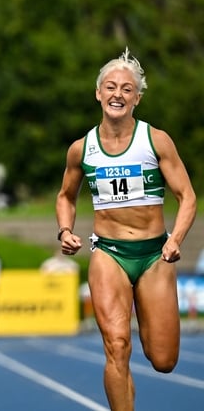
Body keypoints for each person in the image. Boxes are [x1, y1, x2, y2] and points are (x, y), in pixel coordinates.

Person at [56, 48, 196, 411]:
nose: (117, 94)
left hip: (154, 255)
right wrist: (64, 230)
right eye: (110, 86)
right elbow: (65, 196)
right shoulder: (81, 149)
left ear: (137, 98)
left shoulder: (156, 141)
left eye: (127, 89)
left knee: (163, 360)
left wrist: (176, 240)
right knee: (116, 345)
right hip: (109, 254)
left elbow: (187, 196)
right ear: (98, 93)